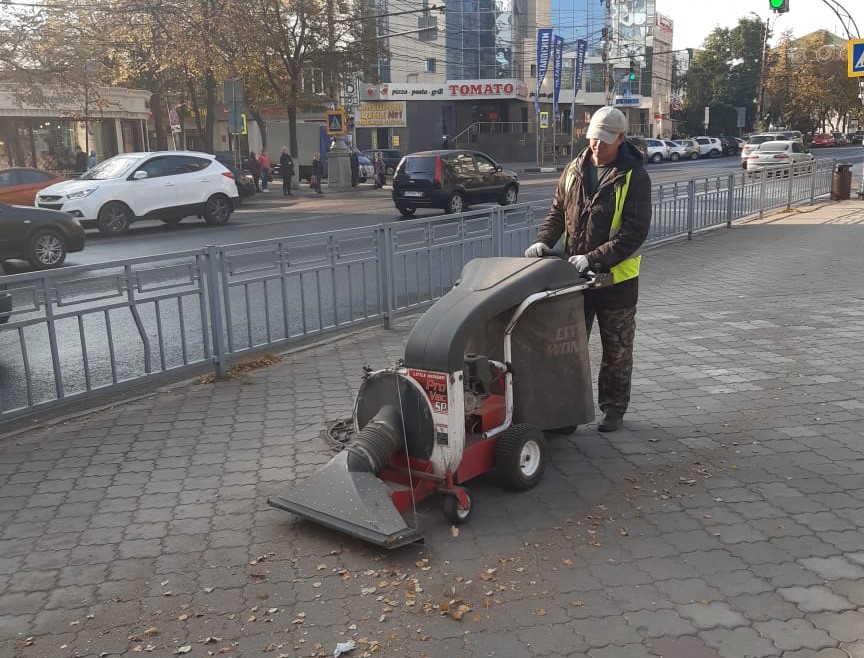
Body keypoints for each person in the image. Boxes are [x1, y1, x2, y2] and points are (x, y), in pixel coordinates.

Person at [524, 106, 652, 433]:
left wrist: (593, 258)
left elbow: (633, 234)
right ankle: (566, 413)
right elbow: (557, 212)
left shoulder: (634, 177)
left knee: (617, 350)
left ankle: (613, 409)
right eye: (593, 138)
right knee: (567, 349)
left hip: (616, 282)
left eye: (604, 140)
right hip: (574, 280)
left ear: (620, 139)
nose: (596, 145)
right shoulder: (574, 169)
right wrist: (542, 241)